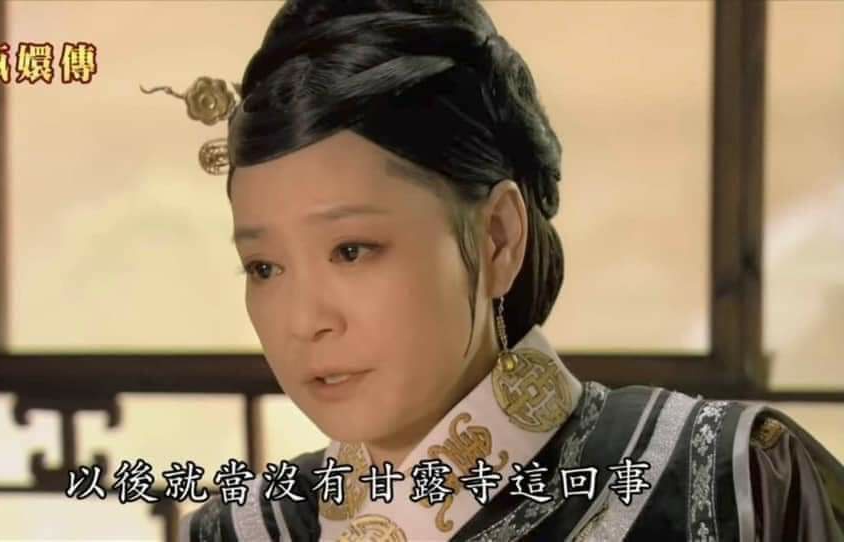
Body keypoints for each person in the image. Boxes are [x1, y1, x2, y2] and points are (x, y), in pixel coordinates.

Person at [172, 1, 844, 540]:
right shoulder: (243, 528)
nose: (304, 320)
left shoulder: (732, 480)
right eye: (264, 266)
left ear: (498, 238)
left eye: (352, 250)